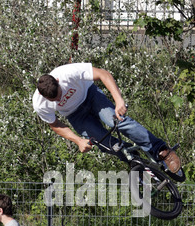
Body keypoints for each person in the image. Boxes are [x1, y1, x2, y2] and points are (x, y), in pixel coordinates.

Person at [33, 62, 181, 173]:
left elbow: (103, 74)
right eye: (54, 100)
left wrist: (118, 100)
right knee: (103, 142)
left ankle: (162, 151)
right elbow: (55, 124)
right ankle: (135, 160)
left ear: (58, 81)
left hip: (91, 96)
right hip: (75, 116)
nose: (59, 99)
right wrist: (78, 140)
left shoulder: (67, 73)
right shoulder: (39, 103)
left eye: (59, 94)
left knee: (116, 121)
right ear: (43, 96)